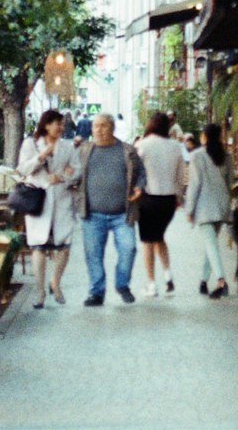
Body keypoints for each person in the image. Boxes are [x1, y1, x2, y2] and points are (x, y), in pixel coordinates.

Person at [77, 112, 145, 306]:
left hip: (122, 214)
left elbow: (141, 173)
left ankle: (122, 285)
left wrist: (139, 187)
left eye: (103, 125)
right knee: (93, 254)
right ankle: (96, 292)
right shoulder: (84, 151)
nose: (99, 130)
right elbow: (72, 172)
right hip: (92, 213)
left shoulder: (127, 151)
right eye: (95, 126)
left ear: (112, 128)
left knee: (129, 248)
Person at [17, 109, 81, 307]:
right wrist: (42, 156)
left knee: (64, 244)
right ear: (46, 124)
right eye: (56, 123)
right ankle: (40, 292)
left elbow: (77, 170)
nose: (60, 127)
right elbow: (22, 170)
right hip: (39, 199)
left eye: (62, 124)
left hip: (62, 199)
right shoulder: (31, 144)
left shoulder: (67, 147)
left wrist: (64, 176)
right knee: (38, 246)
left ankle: (55, 282)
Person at [136, 111, 187, 298]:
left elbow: (133, 171)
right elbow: (181, 176)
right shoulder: (176, 147)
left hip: (148, 198)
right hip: (168, 201)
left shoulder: (142, 145)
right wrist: (179, 198)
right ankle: (168, 275)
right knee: (159, 237)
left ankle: (151, 284)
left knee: (147, 242)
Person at [185, 122, 233, 299]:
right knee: (210, 244)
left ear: (204, 136)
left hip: (204, 206)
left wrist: (189, 208)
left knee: (211, 244)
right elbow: (230, 183)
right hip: (221, 205)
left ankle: (221, 280)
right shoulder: (226, 156)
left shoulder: (197, 156)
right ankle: (203, 281)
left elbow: (194, 184)